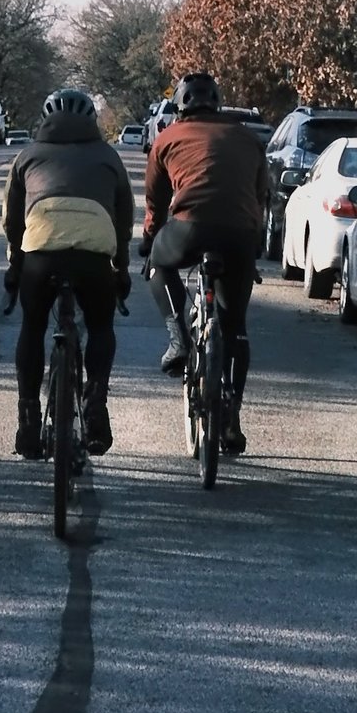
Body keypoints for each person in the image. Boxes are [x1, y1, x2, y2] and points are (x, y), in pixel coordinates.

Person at [1, 86, 131, 459]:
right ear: (92, 121)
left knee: (33, 326)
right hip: (94, 254)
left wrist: (15, 263)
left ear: (46, 120)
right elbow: (123, 220)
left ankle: (28, 417)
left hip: (41, 250)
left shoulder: (27, 156)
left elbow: (11, 219)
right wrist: (121, 267)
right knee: (102, 325)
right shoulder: (109, 156)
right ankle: (95, 403)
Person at [141, 67, 266, 455]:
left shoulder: (167, 138)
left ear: (179, 106)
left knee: (159, 268)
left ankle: (179, 338)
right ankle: (232, 417)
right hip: (240, 236)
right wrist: (253, 247)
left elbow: (155, 203)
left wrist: (149, 242)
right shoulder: (246, 138)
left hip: (189, 230)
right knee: (235, 327)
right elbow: (261, 197)